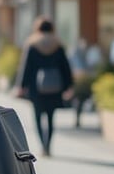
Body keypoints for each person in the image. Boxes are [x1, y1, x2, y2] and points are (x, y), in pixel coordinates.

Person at [14, 16, 74, 157]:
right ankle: (49, 145)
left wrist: (21, 85)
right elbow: (65, 67)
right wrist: (69, 86)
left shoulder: (32, 45)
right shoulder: (58, 45)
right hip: (55, 87)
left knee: (37, 117)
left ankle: (43, 146)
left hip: (36, 88)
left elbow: (26, 67)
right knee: (51, 117)